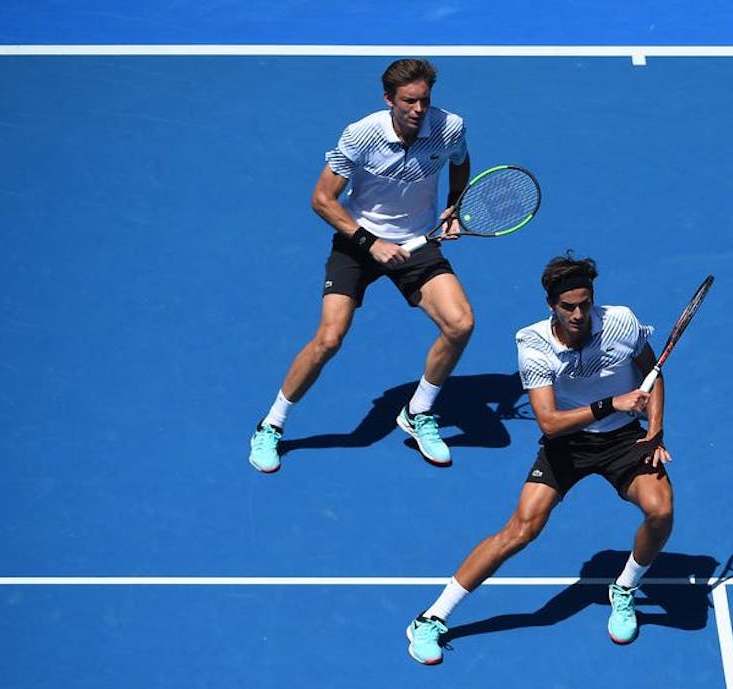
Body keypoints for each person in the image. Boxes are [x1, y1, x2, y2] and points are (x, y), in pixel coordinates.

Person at [405, 253, 675, 665]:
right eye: (568, 307)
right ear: (551, 305)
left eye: (585, 303)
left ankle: (623, 588)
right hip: (567, 444)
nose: (579, 314)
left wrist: (655, 430)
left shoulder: (621, 321)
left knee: (660, 511)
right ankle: (431, 618)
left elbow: (653, 374)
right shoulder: (532, 343)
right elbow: (548, 423)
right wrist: (612, 403)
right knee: (521, 530)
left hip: (624, 440)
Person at [248, 58, 474, 473]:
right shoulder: (360, 134)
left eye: (424, 100)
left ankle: (418, 412)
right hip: (358, 241)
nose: (418, 110)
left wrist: (454, 208)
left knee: (460, 324)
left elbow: (460, 161)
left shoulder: (450, 127)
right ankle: (271, 425)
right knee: (329, 339)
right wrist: (372, 243)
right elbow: (321, 199)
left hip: (416, 242)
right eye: (408, 101)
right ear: (388, 99)